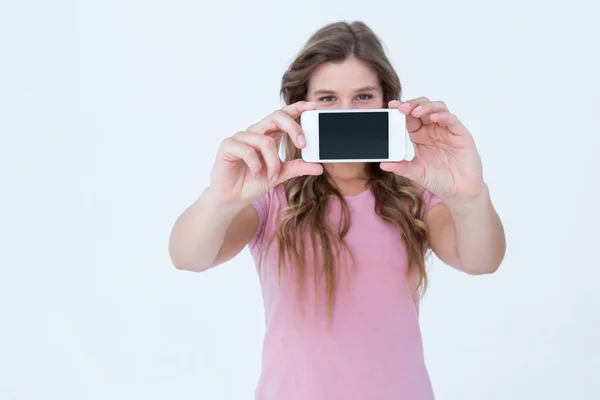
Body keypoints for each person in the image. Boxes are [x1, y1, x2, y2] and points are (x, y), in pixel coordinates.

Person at [169, 20, 506, 400]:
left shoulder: (416, 197)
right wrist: (218, 198)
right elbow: (189, 257)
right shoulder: (271, 198)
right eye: (327, 99)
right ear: (301, 108)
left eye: (363, 97)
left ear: (386, 103)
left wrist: (469, 196)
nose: (346, 112)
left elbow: (482, 260)